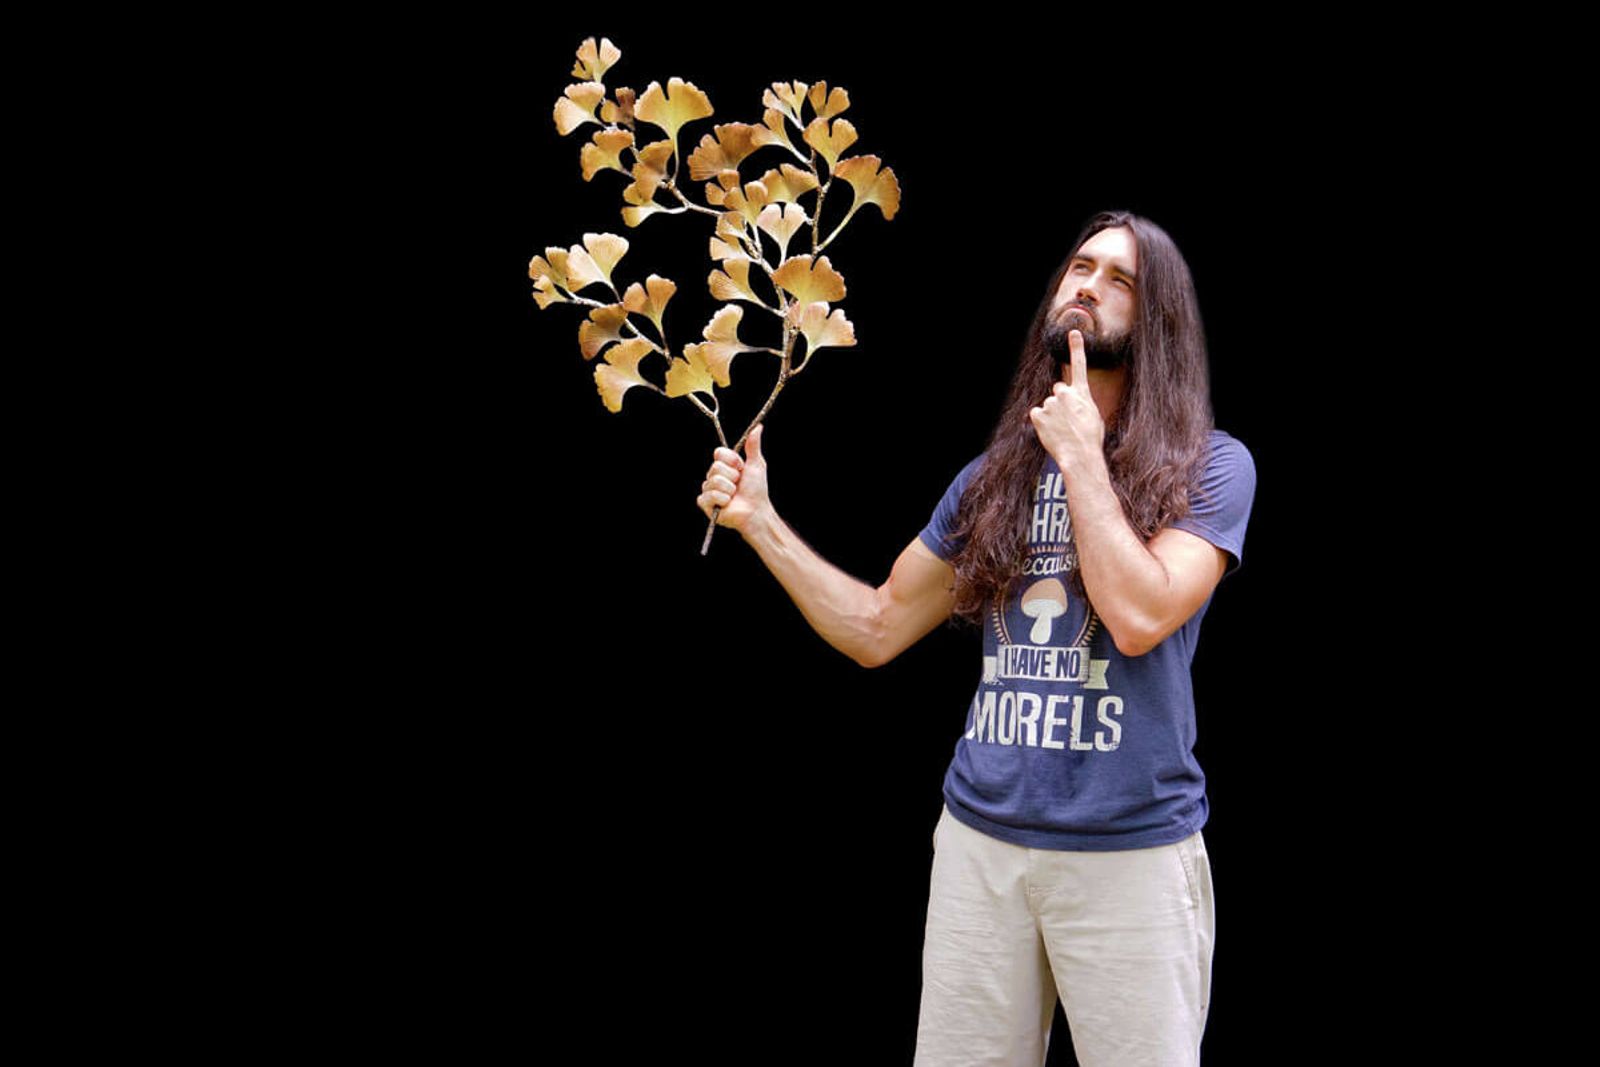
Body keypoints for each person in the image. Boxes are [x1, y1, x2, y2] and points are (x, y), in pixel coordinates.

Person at [696, 210, 1255, 1067]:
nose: (1088, 286)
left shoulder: (1211, 466)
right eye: (1080, 267)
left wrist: (1081, 457)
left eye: (1120, 281)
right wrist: (760, 522)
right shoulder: (990, 480)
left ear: (1158, 321)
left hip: (1130, 854)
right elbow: (878, 627)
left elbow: (1142, 618)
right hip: (980, 847)